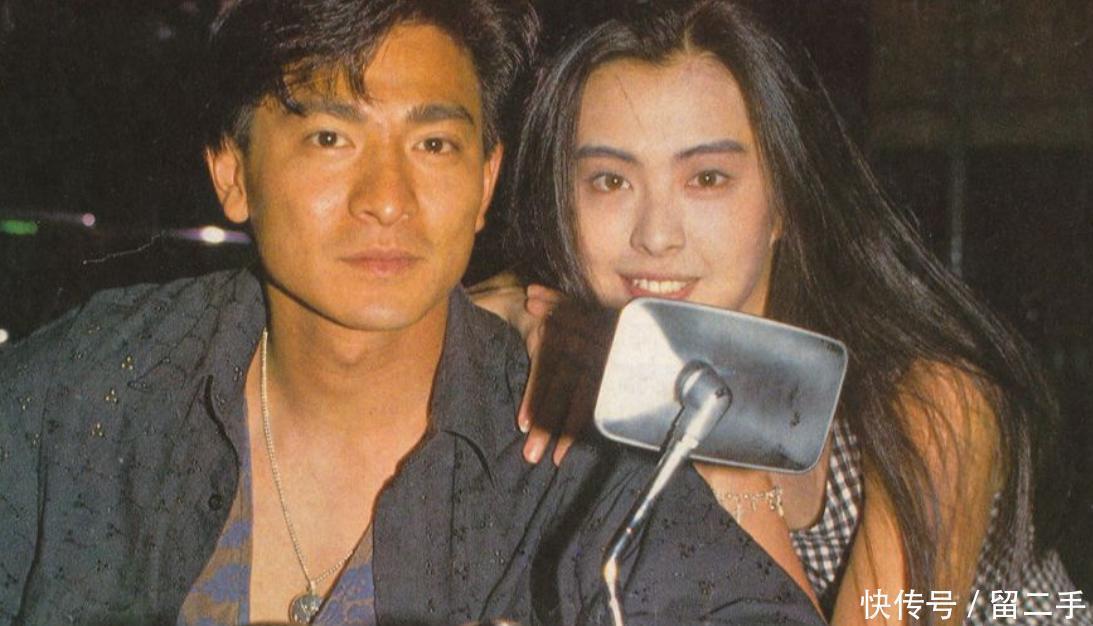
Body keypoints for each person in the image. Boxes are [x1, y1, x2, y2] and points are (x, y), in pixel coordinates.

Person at [0, 0, 825, 624]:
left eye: (433, 145)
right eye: (331, 138)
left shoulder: (564, 454)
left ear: (486, 181)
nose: (388, 199)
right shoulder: (92, 388)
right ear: (233, 173)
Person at [474, 0, 1085, 623]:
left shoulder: (930, 399)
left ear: (784, 201)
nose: (655, 236)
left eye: (707, 179)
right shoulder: (592, 367)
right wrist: (518, 310)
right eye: (610, 181)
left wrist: (729, 465)